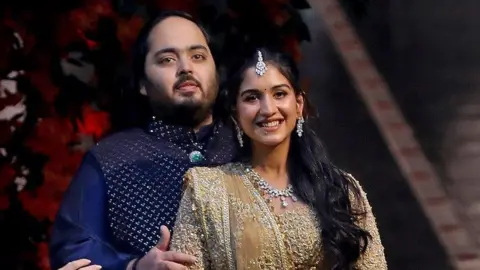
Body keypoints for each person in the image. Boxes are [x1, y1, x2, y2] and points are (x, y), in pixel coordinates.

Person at [49, 11, 237, 270]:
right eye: (167, 59)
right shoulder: (111, 158)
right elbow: (73, 249)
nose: (186, 68)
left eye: (198, 56)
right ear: (142, 84)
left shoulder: (248, 144)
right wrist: (135, 266)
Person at [169, 48, 388, 269]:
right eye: (252, 97)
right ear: (236, 113)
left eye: (280, 94)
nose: (268, 109)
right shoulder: (206, 191)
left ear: (299, 104)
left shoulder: (340, 191)